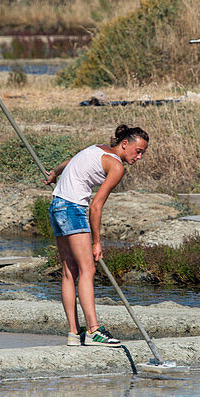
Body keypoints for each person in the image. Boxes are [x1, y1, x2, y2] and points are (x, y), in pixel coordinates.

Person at [46, 124, 149, 347]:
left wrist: (55, 172)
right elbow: (96, 206)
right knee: (88, 269)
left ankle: (74, 334)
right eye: (138, 151)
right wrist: (97, 242)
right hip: (73, 209)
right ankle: (93, 331)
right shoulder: (116, 166)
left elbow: (71, 162)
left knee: (68, 270)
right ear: (124, 144)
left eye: (142, 153)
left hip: (56, 206)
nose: (139, 157)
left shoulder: (96, 148)